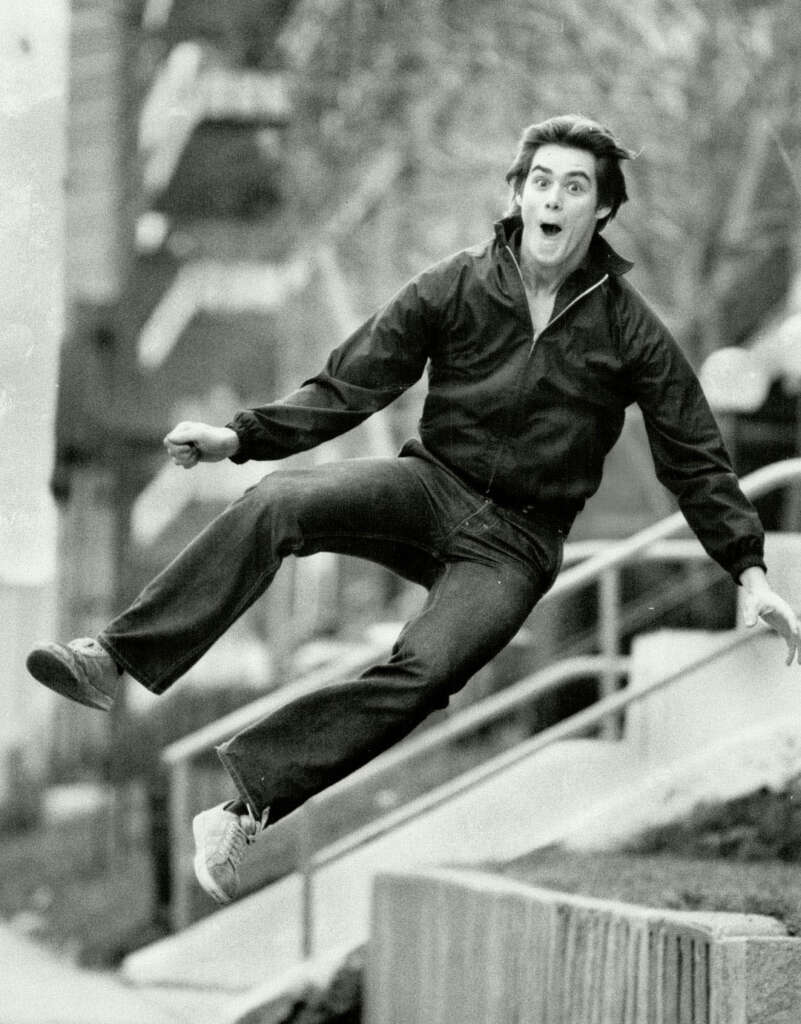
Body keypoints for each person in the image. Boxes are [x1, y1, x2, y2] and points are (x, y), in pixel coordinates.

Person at [28, 114, 801, 905]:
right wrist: (239, 438)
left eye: (576, 188)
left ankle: (242, 807)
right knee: (280, 503)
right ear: (517, 193)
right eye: (542, 182)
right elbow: (351, 383)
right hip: (429, 489)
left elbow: (694, 454)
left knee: (426, 670)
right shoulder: (456, 284)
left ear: (601, 210)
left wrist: (748, 571)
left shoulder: (629, 330)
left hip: (515, 545)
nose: (554, 200)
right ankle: (111, 658)